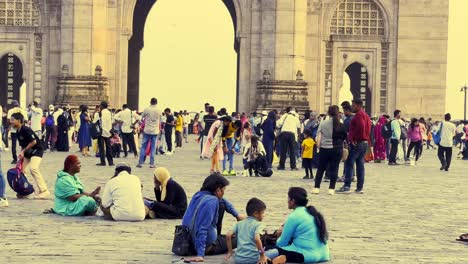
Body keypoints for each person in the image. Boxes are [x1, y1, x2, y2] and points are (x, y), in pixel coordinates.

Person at [181, 173, 245, 262]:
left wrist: (236, 214)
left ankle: (218, 238)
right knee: (242, 237)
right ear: (218, 190)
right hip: (206, 246)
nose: (223, 192)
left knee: (222, 205)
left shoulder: (198, 195)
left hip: (189, 241)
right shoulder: (212, 201)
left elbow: (223, 200)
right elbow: (202, 228)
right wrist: (200, 254)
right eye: (223, 190)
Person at [265, 187, 330, 263]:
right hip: (324, 254)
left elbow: (281, 243)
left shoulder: (294, 216)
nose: (287, 201)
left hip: (307, 255)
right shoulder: (311, 212)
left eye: (288, 198)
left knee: (269, 249)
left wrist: (279, 234)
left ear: (293, 201)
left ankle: (278, 259)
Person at [10, 112, 50, 199]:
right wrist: (21, 154)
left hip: (37, 150)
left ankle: (44, 191)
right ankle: (25, 191)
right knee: (21, 171)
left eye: (13, 120)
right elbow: (22, 144)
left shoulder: (26, 129)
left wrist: (23, 151)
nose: (11, 121)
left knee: (33, 168)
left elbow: (34, 141)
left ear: (19, 121)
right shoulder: (17, 131)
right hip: (28, 153)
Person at [337, 99, 371, 194]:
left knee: (349, 164)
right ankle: (360, 187)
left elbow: (361, 126)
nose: (352, 107)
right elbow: (367, 128)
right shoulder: (366, 115)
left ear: (358, 105)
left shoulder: (359, 115)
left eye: (353, 105)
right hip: (364, 143)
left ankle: (347, 186)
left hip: (357, 143)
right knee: (360, 165)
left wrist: (353, 139)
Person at [313, 106, 346, 195]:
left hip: (325, 149)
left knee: (321, 169)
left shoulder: (323, 123)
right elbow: (344, 137)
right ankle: (331, 189)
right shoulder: (341, 124)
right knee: (334, 169)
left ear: (328, 113)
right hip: (337, 149)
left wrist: (318, 147)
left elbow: (318, 136)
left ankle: (316, 188)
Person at [225, 198, 268, 264]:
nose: (263, 215)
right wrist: (262, 255)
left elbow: (228, 235)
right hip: (253, 259)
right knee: (275, 251)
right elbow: (257, 239)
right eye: (262, 212)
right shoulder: (259, 224)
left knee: (236, 250)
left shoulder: (239, 223)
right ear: (256, 213)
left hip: (238, 260)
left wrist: (230, 252)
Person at [137, 98, 162, 168]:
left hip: (147, 130)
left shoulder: (146, 109)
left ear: (150, 102)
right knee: (153, 148)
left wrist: (141, 124)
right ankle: (151, 163)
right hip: (155, 131)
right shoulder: (159, 110)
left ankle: (140, 163)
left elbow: (140, 118)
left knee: (143, 147)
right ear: (156, 102)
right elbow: (161, 120)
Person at [95, 101, 114, 166]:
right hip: (108, 132)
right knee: (109, 147)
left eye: (100, 105)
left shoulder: (99, 113)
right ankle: (110, 162)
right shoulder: (109, 113)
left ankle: (103, 162)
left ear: (102, 106)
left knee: (101, 148)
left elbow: (95, 122)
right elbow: (111, 122)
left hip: (101, 132)